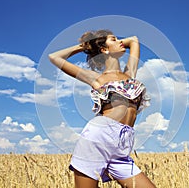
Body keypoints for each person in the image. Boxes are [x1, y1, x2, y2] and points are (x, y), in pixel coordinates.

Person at [49, 29, 155, 188]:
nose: (120, 42)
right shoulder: (97, 78)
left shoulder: (129, 74)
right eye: (114, 39)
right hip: (98, 138)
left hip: (122, 145)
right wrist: (86, 46)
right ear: (104, 50)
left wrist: (107, 42)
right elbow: (54, 57)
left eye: (119, 39)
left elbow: (133, 40)